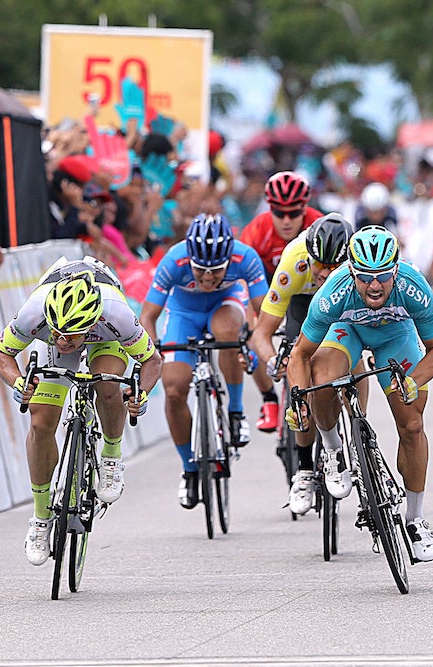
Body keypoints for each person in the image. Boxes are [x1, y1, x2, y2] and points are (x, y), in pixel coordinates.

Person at [285, 226, 433, 562]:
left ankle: (415, 518)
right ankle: (333, 451)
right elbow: (299, 354)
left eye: (383, 277)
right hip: (347, 332)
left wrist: (413, 381)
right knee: (324, 376)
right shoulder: (334, 292)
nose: (374, 286)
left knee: (413, 425)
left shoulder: (414, 286)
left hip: (395, 336)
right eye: (364, 278)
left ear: (395, 270)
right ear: (351, 271)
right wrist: (298, 399)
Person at [0, 257, 162, 565]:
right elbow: (0, 352)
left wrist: (140, 393)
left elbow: (152, 361)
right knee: (41, 424)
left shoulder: (116, 314)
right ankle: (41, 517)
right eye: (59, 333)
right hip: (54, 331)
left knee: (108, 389)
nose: (65, 341)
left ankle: (110, 456)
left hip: (106, 341)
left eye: (73, 335)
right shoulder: (36, 312)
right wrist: (17, 383)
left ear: (92, 323)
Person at [139, 214, 269, 509]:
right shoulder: (174, 260)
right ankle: (189, 469)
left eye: (216, 272)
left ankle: (235, 413)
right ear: (190, 260)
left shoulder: (245, 257)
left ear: (228, 260)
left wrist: (251, 340)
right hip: (183, 314)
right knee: (173, 389)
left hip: (227, 305)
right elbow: (148, 316)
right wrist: (152, 354)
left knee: (228, 333)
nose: (208, 279)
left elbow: (264, 312)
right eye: (200, 272)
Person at [250, 212, 355, 513]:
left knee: (354, 361)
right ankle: (305, 470)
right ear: (309, 257)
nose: (326, 272)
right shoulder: (294, 261)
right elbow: (262, 332)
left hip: (341, 303)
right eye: (320, 264)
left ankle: (358, 433)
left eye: (335, 265)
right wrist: (273, 361)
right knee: (302, 388)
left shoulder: (354, 267)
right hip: (303, 304)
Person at [240, 171, 323, 434]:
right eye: (279, 213)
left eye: (294, 213)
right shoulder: (256, 231)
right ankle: (269, 400)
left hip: (306, 289)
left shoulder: (318, 224)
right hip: (265, 288)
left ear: (305, 209)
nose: (286, 221)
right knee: (252, 337)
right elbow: (243, 280)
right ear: (269, 208)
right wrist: (250, 320)